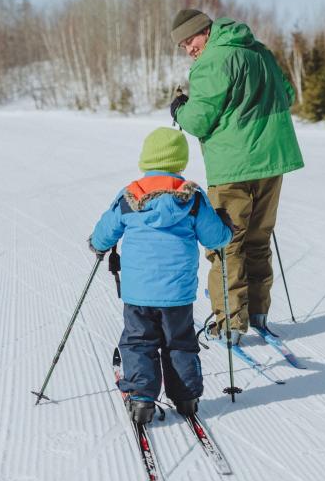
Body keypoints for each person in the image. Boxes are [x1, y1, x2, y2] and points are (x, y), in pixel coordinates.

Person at [169, 9, 304, 344]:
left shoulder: (213, 61)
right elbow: (287, 95)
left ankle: (229, 324)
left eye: (191, 40)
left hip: (233, 168)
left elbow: (199, 121)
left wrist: (178, 109)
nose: (189, 49)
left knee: (226, 244)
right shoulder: (259, 52)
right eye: (183, 45)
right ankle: (258, 313)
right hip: (272, 161)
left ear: (206, 30)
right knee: (259, 239)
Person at [89, 127, 232, 424]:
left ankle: (141, 400)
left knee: (139, 341)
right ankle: (186, 397)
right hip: (177, 294)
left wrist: (97, 244)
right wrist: (225, 226)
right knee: (179, 341)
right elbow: (215, 238)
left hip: (138, 292)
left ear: (146, 159)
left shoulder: (130, 195)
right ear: (180, 161)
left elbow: (106, 230)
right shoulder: (191, 197)